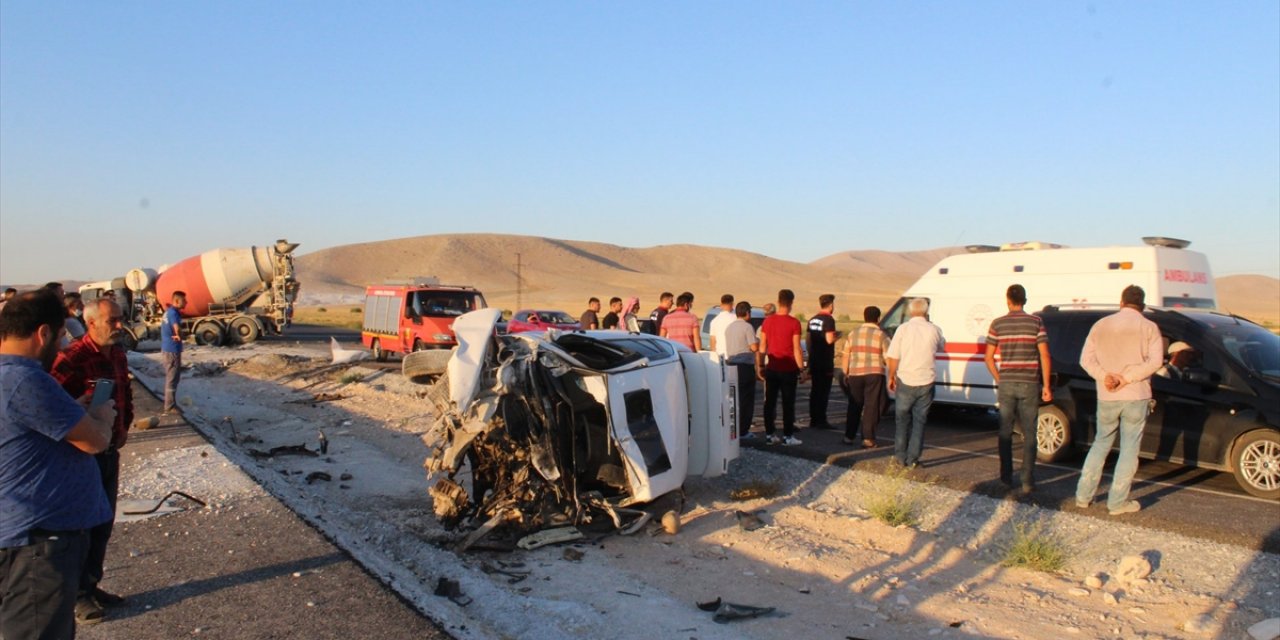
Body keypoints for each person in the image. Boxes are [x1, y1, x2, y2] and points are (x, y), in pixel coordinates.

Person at [0, 289, 115, 639]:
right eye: (62, 335)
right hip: (38, 544)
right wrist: (101, 415)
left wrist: (74, 411)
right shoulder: (26, 379)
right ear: (43, 333)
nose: (63, 344)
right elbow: (94, 441)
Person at [51, 298, 134, 623]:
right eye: (113, 320)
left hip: (110, 451)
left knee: (102, 525)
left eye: (120, 319)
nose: (119, 325)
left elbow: (125, 393)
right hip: (82, 457)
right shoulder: (71, 359)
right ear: (91, 323)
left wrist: (124, 426)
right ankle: (77, 596)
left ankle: (91, 584)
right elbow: (51, 404)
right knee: (82, 528)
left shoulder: (118, 354)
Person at [1075, 285, 1163, 515]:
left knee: (1101, 443)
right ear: (1142, 305)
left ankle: (1083, 496)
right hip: (1136, 395)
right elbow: (1155, 362)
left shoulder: (1101, 325)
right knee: (1129, 449)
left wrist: (1106, 377)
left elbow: (1085, 360)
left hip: (1107, 395)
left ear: (1121, 302)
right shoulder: (1149, 327)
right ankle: (1117, 503)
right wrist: (1127, 378)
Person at [983, 285, 1053, 495]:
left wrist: (999, 378)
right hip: (1029, 383)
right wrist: (1046, 385)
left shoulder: (997, 324)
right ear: (1025, 300)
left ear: (1008, 300)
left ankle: (1006, 478)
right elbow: (1044, 355)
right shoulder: (1036, 322)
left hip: (1007, 383)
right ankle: (1027, 480)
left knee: (1005, 431)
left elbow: (988, 357)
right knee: (1030, 432)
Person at [886, 298, 945, 468]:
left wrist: (891, 376)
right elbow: (942, 347)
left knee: (902, 420)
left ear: (911, 311)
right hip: (926, 381)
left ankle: (900, 457)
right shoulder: (934, 329)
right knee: (920, 421)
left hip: (905, 379)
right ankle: (913, 459)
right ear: (926, 312)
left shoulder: (902, 329)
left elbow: (893, 356)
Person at [758, 289, 805, 446]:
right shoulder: (794, 323)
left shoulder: (767, 322)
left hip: (772, 367)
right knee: (788, 403)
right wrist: (802, 369)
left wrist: (760, 365)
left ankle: (770, 434)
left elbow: (762, 346)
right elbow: (797, 348)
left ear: (778, 301)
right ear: (791, 303)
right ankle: (788, 436)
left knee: (770, 403)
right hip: (788, 368)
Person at [842, 305, 890, 448]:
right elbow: (888, 357)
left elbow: (846, 355)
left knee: (854, 404)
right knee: (872, 405)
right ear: (878, 318)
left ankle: (849, 436)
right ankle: (868, 438)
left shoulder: (853, 334)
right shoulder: (882, 335)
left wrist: (846, 372)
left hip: (855, 373)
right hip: (874, 373)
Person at [723, 301, 760, 440]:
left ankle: (733, 428)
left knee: (734, 399)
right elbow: (754, 347)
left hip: (731, 365)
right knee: (746, 400)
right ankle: (743, 430)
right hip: (745, 366)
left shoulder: (729, 327)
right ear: (747, 312)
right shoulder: (747, 327)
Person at [806, 294, 838, 429]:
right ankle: (821, 420)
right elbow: (829, 339)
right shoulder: (829, 320)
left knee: (815, 391)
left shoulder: (812, 320)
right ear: (830, 305)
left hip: (814, 359)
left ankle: (813, 419)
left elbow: (808, 340)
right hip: (825, 361)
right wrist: (838, 336)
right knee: (824, 392)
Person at [161, 290, 187, 414]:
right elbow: (177, 328)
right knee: (172, 378)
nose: (186, 302)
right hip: (172, 350)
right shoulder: (174, 313)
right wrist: (180, 335)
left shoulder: (169, 312)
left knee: (172, 377)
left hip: (168, 348)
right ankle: (169, 406)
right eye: (184, 300)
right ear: (176, 301)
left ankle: (170, 403)